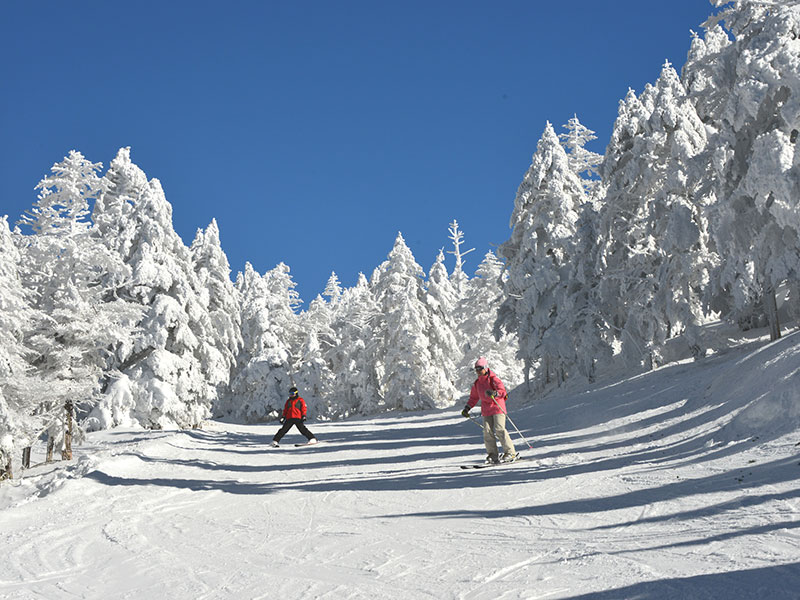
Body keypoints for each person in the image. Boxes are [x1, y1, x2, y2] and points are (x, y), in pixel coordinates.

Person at [461, 357, 517, 464]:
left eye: (480, 368)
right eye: (476, 369)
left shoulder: (493, 379)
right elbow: (474, 398)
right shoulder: (477, 383)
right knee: (487, 432)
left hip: (497, 408)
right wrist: (467, 408)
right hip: (486, 410)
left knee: (499, 429)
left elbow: (502, 391)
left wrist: (495, 393)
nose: (478, 371)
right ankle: (492, 455)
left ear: (486, 368)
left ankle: (510, 452)